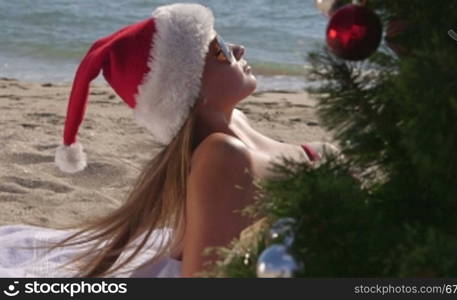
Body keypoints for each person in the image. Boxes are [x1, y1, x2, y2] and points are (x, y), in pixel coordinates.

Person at [0, 3, 336, 278]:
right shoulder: (221, 155)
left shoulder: (236, 123)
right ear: (192, 90)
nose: (238, 49)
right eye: (219, 50)